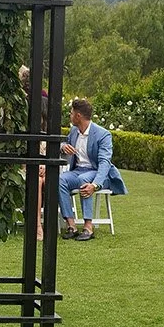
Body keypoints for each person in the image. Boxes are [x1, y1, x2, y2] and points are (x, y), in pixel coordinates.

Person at [57, 97, 127, 241]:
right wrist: (64, 147)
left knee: (84, 180)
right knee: (59, 180)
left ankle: (88, 227)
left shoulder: (103, 134)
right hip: (77, 171)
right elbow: (62, 144)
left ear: (78, 116)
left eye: (71, 113)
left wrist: (95, 185)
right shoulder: (74, 131)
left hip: (97, 173)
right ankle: (71, 225)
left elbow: (104, 163)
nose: (69, 116)